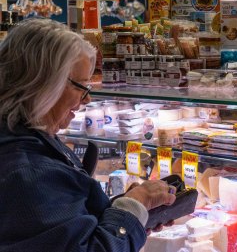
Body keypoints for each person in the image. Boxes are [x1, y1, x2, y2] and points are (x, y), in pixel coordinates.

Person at [0, 18, 176, 251]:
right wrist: (133, 205)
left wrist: (124, 213)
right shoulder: (29, 171)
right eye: (81, 86)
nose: (87, 99)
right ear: (44, 83)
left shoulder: (22, 140)